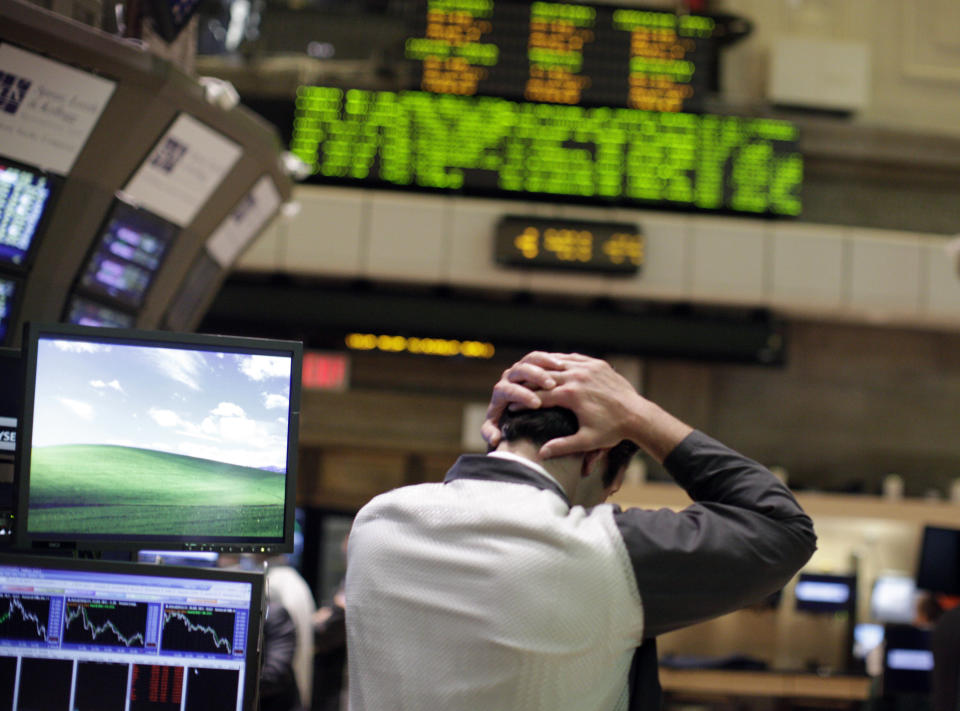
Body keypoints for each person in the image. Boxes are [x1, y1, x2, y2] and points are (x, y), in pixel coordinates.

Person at [345, 351, 817, 710]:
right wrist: (639, 413)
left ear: (502, 428)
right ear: (594, 456)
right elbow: (783, 527)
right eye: (609, 489)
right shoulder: (595, 552)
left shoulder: (376, 523)